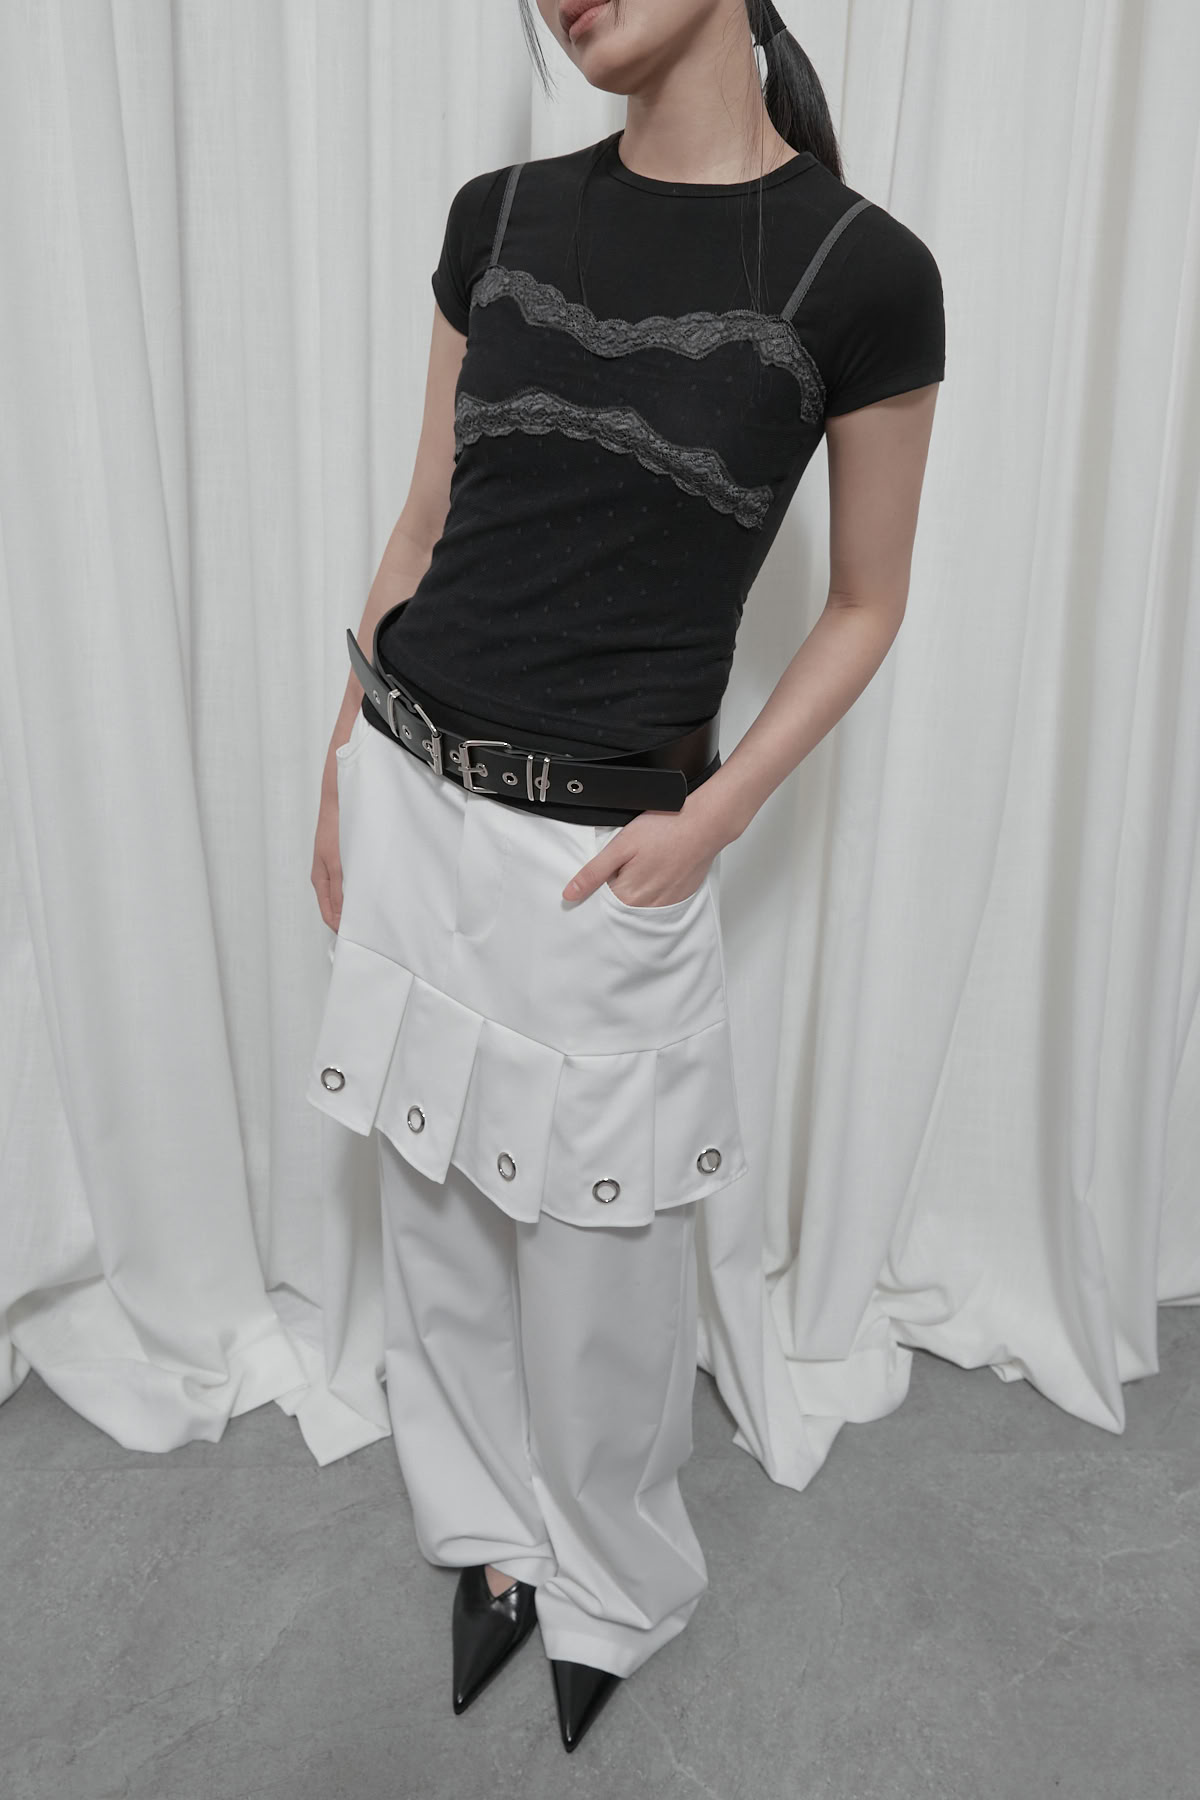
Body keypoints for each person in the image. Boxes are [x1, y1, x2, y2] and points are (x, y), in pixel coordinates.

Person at [307, 0, 944, 1756]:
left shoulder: (862, 272)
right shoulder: (499, 215)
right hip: (413, 784)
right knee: (432, 1206)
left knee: (605, 1256)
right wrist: (343, 760)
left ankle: (616, 1580)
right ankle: (488, 1540)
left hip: (606, 854)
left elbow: (869, 600)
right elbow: (425, 519)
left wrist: (715, 817)